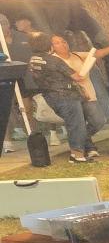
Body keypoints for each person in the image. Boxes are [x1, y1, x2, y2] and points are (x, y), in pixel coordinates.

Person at [28, 32, 92, 162]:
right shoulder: (54, 60)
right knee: (76, 125)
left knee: (72, 123)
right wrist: (87, 66)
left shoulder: (33, 60)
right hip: (66, 96)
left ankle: (76, 153)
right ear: (49, 46)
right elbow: (77, 77)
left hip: (50, 96)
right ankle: (78, 155)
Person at [49, 32, 109, 141]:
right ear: (52, 47)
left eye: (63, 41)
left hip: (88, 96)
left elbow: (96, 54)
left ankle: (82, 139)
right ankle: (83, 143)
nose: (62, 44)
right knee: (79, 123)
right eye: (57, 43)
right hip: (71, 98)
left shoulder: (77, 55)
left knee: (99, 121)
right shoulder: (52, 60)